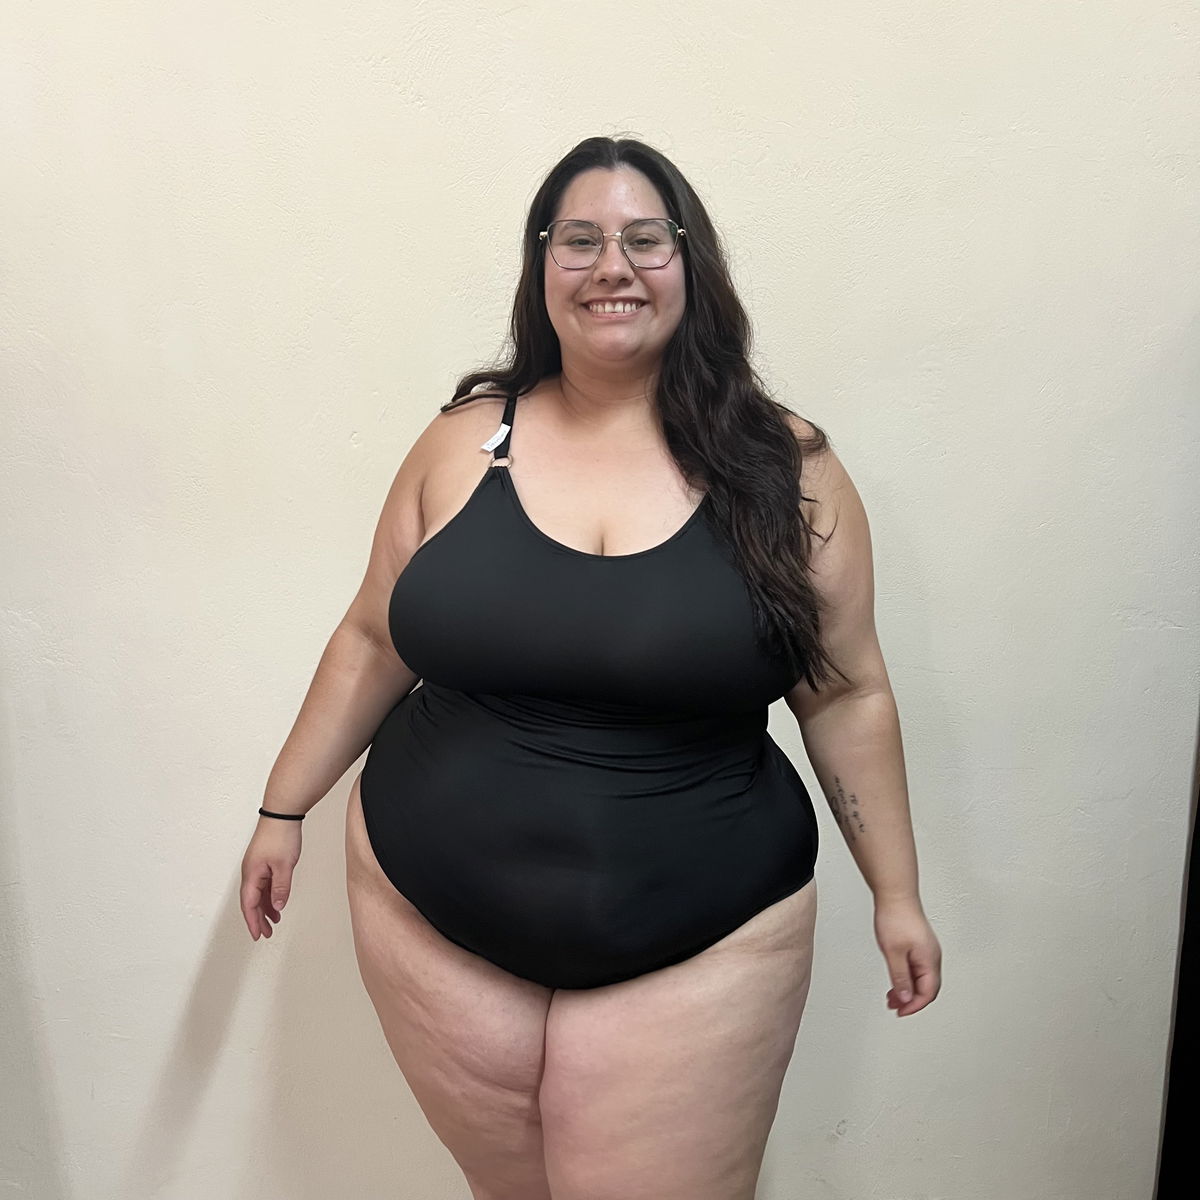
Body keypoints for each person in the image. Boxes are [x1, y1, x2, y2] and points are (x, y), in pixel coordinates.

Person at [239, 135, 942, 1200]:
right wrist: (282, 807)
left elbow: (846, 694)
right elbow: (373, 638)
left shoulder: (786, 468)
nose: (612, 265)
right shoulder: (460, 442)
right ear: (542, 266)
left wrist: (897, 893)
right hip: (431, 914)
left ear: (691, 262)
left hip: (704, 927)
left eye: (645, 239)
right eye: (579, 240)